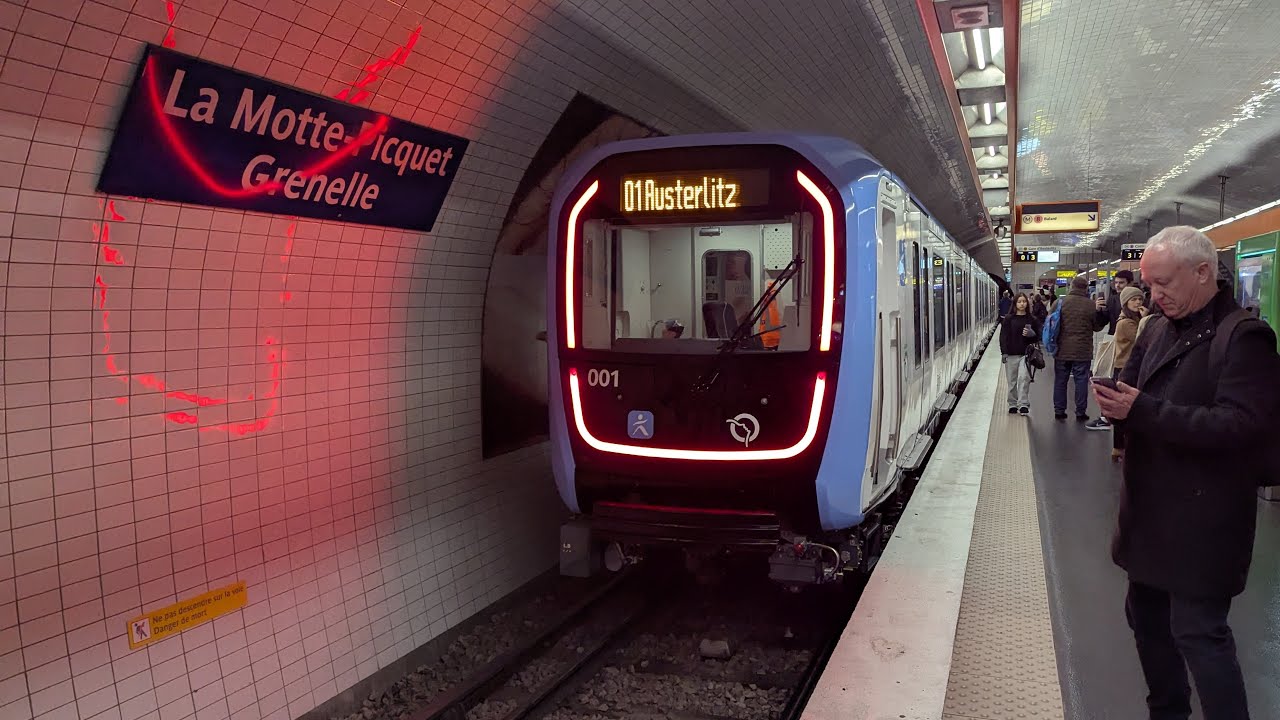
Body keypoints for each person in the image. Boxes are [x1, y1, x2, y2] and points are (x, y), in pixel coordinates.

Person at [1093, 226, 1280, 720]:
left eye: (1163, 284)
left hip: (1205, 521)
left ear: (1202, 273)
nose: (1153, 296)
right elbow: (1135, 392)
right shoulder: (1155, 328)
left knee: (1199, 634)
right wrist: (1116, 403)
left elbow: (1243, 426)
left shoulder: (1244, 338)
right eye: (1149, 285)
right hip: (1149, 514)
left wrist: (1145, 411)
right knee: (1147, 622)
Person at [1052, 274, 1108, 421]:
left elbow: (1050, 322)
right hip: (1083, 351)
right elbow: (1096, 327)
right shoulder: (1091, 304)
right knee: (1081, 381)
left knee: (1060, 381)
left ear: (1071, 286)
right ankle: (1080, 412)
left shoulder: (1059, 302)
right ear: (1086, 288)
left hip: (1061, 349)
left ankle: (1059, 411)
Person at [1086, 270, 1136, 431]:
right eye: (1116, 283)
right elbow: (1101, 323)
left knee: (1126, 379)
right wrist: (1099, 311)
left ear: (1129, 283)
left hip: (1131, 347)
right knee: (1109, 376)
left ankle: (1127, 413)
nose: (1118, 286)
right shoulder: (1113, 300)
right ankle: (1107, 415)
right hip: (1114, 344)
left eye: (1121, 283)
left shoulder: (1137, 300)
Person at [1107, 285, 1145, 462]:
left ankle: (1122, 446)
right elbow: (1143, 339)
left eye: (1139, 299)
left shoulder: (1132, 320)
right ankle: (1119, 447)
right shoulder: (1126, 323)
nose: (1138, 302)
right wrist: (1146, 319)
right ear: (1125, 303)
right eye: (1133, 300)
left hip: (1130, 367)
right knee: (1123, 409)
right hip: (1125, 369)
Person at [999, 293, 1041, 415]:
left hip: (1026, 354)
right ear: (1015, 304)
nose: (1022, 304)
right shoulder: (1008, 319)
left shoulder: (1032, 319)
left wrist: (1032, 334)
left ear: (1027, 303)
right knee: (1012, 381)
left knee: (1024, 378)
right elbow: (1003, 336)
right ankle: (1012, 404)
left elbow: (1038, 336)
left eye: (1024, 301)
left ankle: (1023, 404)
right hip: (1011, 354)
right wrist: (1004, 352)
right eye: (1019, 301)